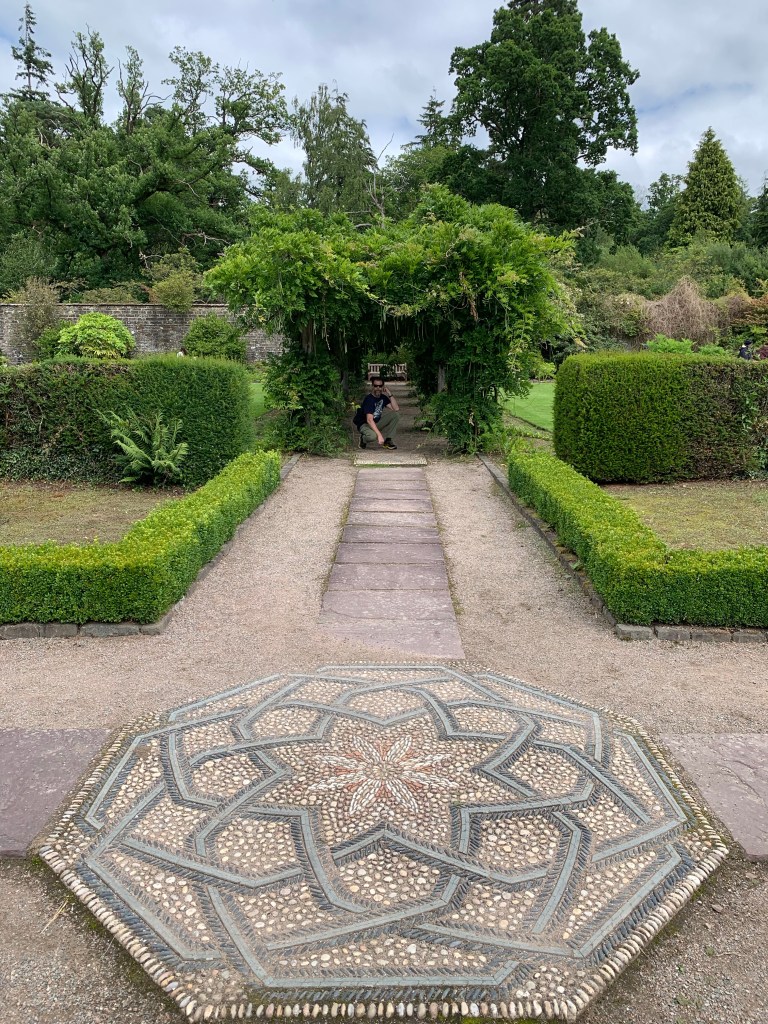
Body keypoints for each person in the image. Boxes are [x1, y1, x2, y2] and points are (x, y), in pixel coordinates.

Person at [353, 376, 400, 449]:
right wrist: (379, 435)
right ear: (372, 386)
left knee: (395, 415)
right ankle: (363, 439)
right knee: (373, 436)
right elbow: (369, 420)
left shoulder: (383, 397)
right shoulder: (369, 399)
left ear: (383, 387)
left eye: (380, 386)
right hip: (365, 424)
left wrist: (389, 393)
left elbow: (396, 409)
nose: (378, 388)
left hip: (375, 423)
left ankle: (388, 440)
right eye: (375, 386)